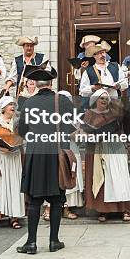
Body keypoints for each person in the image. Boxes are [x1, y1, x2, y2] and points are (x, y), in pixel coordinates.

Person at [16, 66, 74, 254]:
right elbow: (71, 126)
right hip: (56, 153)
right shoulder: (63, 101)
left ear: (37, 85)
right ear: (51, 84)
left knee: (34, 201)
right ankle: (54, 241)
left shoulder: (28, 104)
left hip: (36, 155)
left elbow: (22, 131)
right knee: (56, 201)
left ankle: (31, 243)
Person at [83, 89, 130, 223]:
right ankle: (103, 210)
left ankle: (124, 209)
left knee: (120, 179)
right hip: (97, 150)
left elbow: (121, 129)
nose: (104, 101)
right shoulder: (88, 114)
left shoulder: (114, 113)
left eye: (106, 99)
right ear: (95, 100)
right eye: (101, 98)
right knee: (102, 179)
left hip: (115, 148)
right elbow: (84, 133)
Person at [42, 90, 84, 221]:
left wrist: (74, 133)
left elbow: (79, 135)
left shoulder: (75, 116)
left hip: (70, 148)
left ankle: (67, 207)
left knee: (70, 175)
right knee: (54, 176)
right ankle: (48, 207)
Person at [0, 96, 25, 229]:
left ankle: (14, 217)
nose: (12, 107)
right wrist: (3, 148)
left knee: (14, 185)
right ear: (3, 108)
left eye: (13, 104)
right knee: (0, 186)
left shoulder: (18, 122)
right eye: (9, 105)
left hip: (15, 158)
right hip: (1, 157)